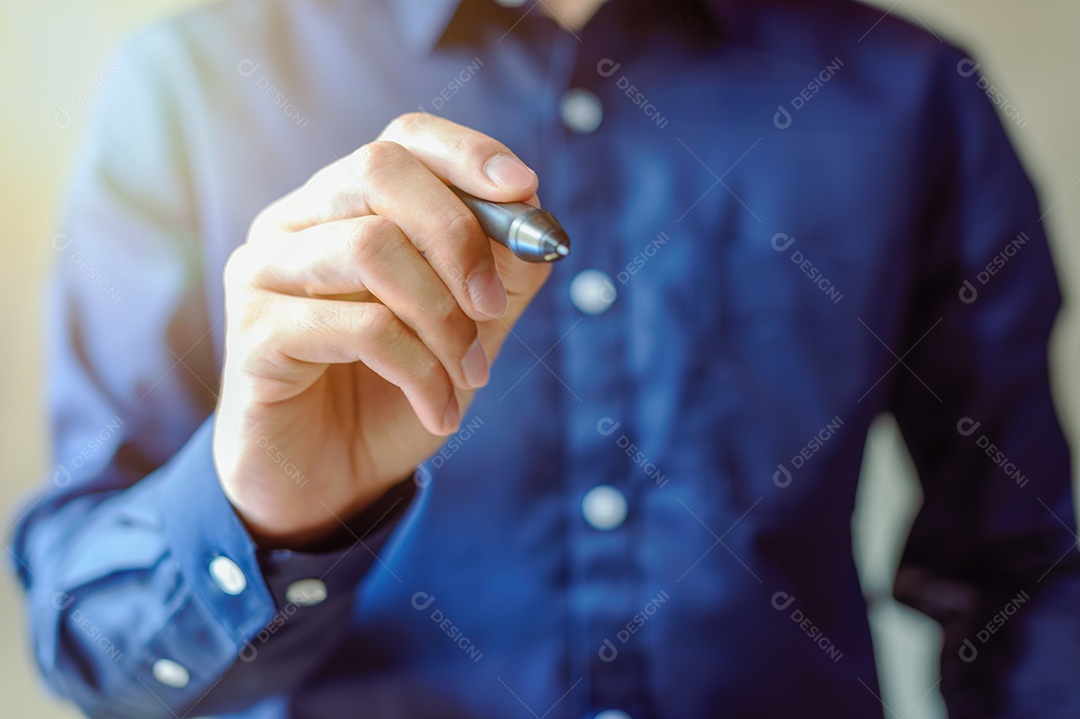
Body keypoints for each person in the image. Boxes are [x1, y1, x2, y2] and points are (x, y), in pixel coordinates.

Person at [12, 0, 1080, 716]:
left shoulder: (913, 95)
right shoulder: (194, 81)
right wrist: (263, 517)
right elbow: (91, 646)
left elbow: (1026, 575)